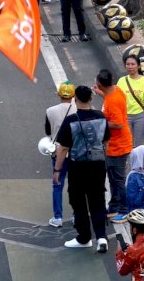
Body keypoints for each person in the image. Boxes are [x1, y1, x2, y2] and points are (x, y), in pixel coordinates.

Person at [54, 85, 110, 253]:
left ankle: (84, 237)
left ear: (74, 99)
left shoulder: (71, 120)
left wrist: (57, 170)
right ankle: (101, 236)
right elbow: (106, 142)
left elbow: (63, 148)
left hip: (78, 167)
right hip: (98, 165)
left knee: (78, 201)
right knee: (98, 200)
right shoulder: (101, 117)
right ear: (91, 99)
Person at [93, 68, 133, 224]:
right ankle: (115, 205)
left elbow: (117, 124)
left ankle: (123, 210)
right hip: (113, 145)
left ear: (101, 84)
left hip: (118, 146)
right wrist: (101, 94)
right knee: (112, 177)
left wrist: (99, 122)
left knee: (117, 179)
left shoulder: (113, 101)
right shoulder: (116, 91)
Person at [44, 81, 77, 227]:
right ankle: (77, 215)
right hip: (76, 152)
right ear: (73, 95)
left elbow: (47, 131)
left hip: (58, 152)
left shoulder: (50, 111)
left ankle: (57, 217)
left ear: (58, 94)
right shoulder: (78, 110)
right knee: (75, 185)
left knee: (57, 184)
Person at [117, 54, 144, 149]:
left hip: (140, 117)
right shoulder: (121, 81)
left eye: (133, 64)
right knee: (127, 144)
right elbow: (116, 100)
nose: (130, 67)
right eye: (127, 64)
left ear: (138, 66)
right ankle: (129, 163)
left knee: (139, 145)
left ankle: (139, 164)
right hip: (125, 117)